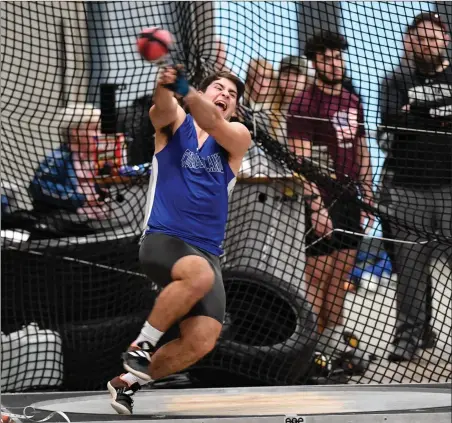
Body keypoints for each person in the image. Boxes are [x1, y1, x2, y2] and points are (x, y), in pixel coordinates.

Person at [107, 68, 251, 414]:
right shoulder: (176, 126)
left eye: (232, 94)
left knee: (201, 341)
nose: (226, 94)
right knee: (198, 276)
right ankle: (141, 345)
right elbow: (162, 109)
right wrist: (165, 85)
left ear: (235, 109)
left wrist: (187, 89)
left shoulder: (236, 136)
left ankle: (126, 383)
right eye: (219, 87)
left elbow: (215, 122)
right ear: (203, 90)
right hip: (164, 239)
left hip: (208, 252)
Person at [287, 31, 375, 352]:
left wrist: (369, 195)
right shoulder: (303, 104)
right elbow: (301, 161)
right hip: (322, 201)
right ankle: (307, 349)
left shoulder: (352, 99)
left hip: (351, 199)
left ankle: (332, 345)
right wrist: (316, 206)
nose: (334, 63)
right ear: (314, 62)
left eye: (338, 57)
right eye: (326, 58)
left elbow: (360, 147)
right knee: (317, 280)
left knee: (340, 280)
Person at [378, 12, 452, 362]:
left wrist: (418, 108)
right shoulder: (396, 79)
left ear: (446, 40)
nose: (427, 42)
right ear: (410, 42)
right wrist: (436, 111)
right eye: (420, 37)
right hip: (408, 188)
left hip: (451, 186)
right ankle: (408, 338)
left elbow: (408, 115)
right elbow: (392, 122)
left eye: (433, 37)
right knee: (409, 269)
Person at [29, 103, 113, 221]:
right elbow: (39, 187)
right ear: (76, 132)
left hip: (96, 220)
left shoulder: (98, 159)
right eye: (95, 129)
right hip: (65, 222)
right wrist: (81, 199)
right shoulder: (57, 159)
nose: (99, 135)